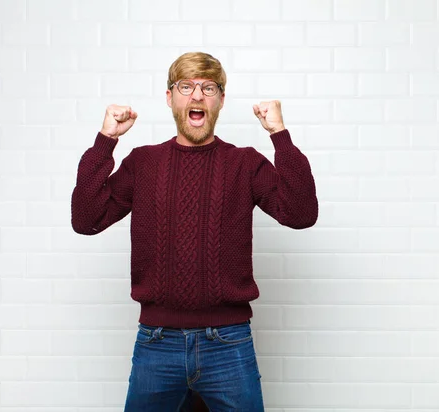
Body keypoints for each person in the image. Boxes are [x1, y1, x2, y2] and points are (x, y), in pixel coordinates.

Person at [71, 52, 318, 411]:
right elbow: (86, 218)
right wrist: (105, 140)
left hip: (229, 343)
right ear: (170, 98)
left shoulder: (244, 163)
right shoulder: (143, 163)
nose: (197, 96)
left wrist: (279, 135)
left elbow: (301, 213)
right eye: (186, 86)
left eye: (208, 87)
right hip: (157, 344)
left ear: (220, 99)